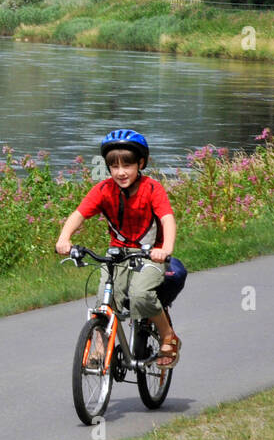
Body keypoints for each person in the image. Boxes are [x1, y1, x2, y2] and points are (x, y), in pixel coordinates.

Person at [55, 129, 181, 367]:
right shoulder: (104, 190)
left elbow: (167, 219)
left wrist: (165, 248)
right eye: (114, 166)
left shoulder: (152, 189)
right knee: (105, 302)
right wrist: (64, 239)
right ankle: (101, 348)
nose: (121, 172)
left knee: (140, 296)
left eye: (127, 165)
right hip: (118, 256)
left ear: (140, 163)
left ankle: (167, 336)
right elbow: (79, 214)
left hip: (150, 255)